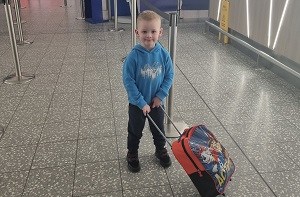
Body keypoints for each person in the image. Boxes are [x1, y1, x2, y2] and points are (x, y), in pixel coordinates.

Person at [122, 10, 174, 172]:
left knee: (158, 129)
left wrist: (160, 96)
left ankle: (160, 150)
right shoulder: (133, 57)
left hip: (156, 102)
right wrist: (140, 102)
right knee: (135, 131)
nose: (149, 36)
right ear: (137, 32)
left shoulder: (163, 54)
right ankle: (132, 153)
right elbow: (128, 81)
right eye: (144, 31)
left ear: (160, 32)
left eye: (153, 31)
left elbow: (169, 75)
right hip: (138, 105)